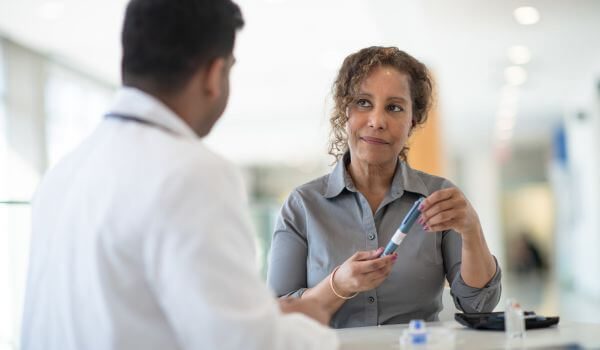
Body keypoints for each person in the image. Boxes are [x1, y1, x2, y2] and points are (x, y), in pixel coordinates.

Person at [20, 0, 339, 349]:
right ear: (214, 75)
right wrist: (310, 320)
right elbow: (244, 343)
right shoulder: (193, 174)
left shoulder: (63, 172)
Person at [267, 46, 501, 328]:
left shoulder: (439, 198)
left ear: (412, 122)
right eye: (364, 103)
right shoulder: (303, 205)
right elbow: (280, 314)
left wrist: (472, 230)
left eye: (394, 108)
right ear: (345, 112)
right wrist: (338, 285)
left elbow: (479, 306)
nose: (377, 121)